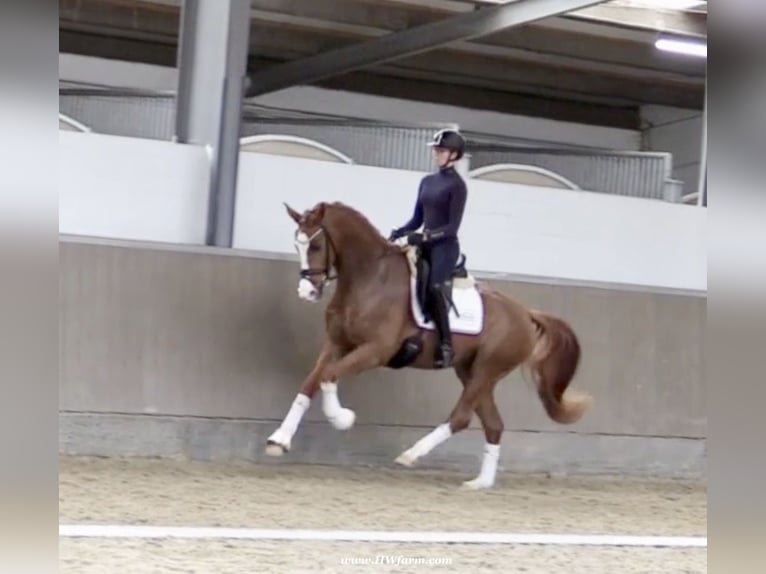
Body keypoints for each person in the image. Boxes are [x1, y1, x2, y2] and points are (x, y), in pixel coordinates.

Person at [389, 128, 468, 368]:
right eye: (436, 150)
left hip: (444, 248)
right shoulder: (427, 182)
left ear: (454, 155)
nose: (436, 154)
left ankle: (446, 344)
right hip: (424, 244)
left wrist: (424, 237)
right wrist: (400, 232)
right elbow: (416, 219)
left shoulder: (458, 186)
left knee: (434, 287)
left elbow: (452, 227)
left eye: (441, 150)